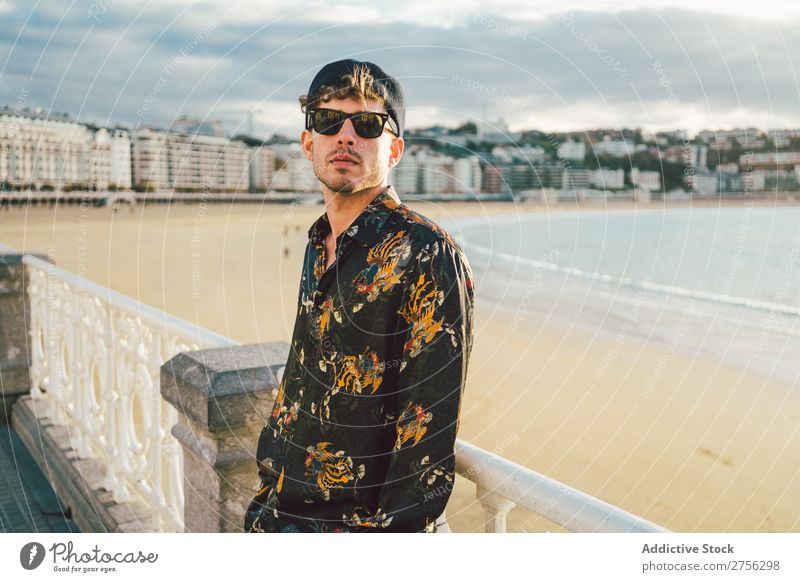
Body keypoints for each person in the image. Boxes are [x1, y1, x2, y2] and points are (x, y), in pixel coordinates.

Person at [244, 59, 475, 533]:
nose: (346, 136)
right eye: (329, 121)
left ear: (395, 151)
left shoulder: (427, 253)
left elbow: (423, 449)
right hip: (278, 519)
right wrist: (266, 495)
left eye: (368, 124)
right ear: (309, 142)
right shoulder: (317, 243)